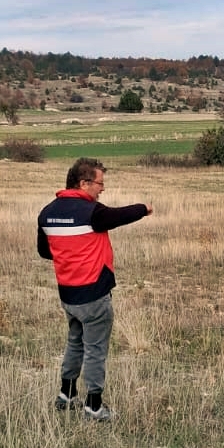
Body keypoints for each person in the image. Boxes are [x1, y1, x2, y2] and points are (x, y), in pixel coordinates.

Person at [37, 158, 152, 422]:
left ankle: (66, 395)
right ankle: (94, 406)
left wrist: (70, 254)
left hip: (68, 294)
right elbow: (119, 216)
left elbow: (45, 251)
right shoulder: (92, 212)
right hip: (94, 296)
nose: (102, 190)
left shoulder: (46, 212)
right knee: (96, 349)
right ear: (84, 183)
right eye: (100, 184)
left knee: (75, 342)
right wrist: (144, 208)